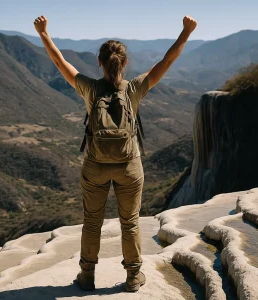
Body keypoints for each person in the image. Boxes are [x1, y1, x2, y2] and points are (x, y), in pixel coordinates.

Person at [34, 14, 197, 292]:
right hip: (128, 166)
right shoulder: (133, 89)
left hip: (95, 166)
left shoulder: (90, 88)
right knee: (130, 223)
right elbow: (166, 62)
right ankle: (133, 277)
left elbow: (60, 62)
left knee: (92, 222)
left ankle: (86, 276)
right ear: (125, 63)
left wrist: (44, 34)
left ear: (99, 62)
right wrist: (185, 33)